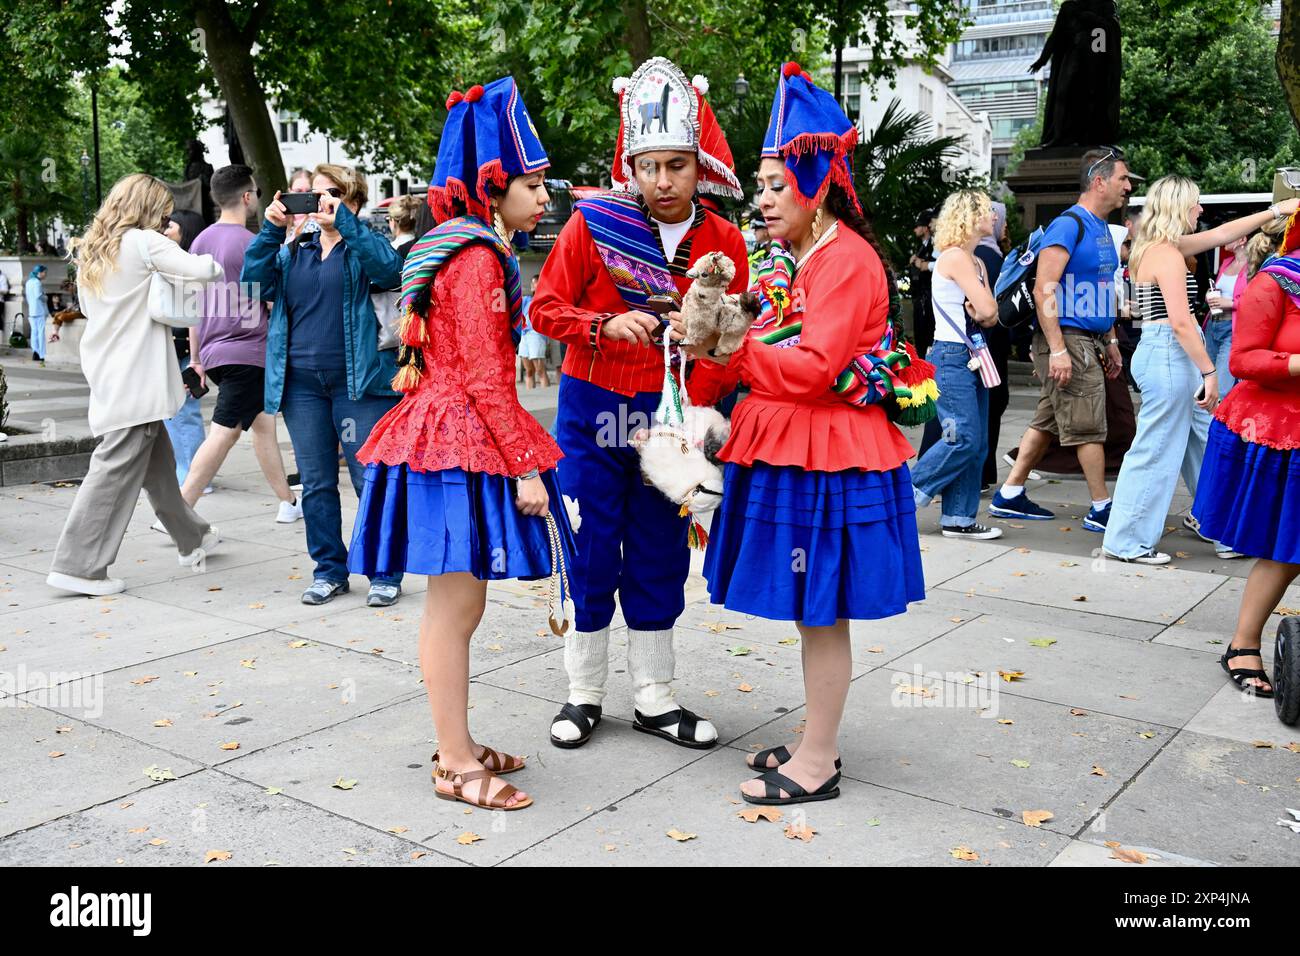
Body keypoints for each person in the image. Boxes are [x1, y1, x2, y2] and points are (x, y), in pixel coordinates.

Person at [682, 61, 924, 804]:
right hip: (799, 449)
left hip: (828, 457)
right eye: (758, 186)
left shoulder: (844, 260)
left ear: (815, 186)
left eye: (775, 185)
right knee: (810, 609)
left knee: (820, 611)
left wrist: (730, 346)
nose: (761, 200)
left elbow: (816, 367)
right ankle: (816, 740)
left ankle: (816, 762)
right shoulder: (799, 256)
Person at [349, 76, 574, 811]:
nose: (545, 200)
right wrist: (527, 469)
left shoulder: (459, 245)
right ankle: (453, 762)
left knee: (460, 605)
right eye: (534, 186)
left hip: (445, 436)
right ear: (492, 184)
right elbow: (485, 379)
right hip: (459, 442)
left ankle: (459, 742)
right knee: (454, 608)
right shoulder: (478, 256)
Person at [530, 56, 749, 750]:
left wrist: (704, 359)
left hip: (673, 420)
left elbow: (736, 341)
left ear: (698, 165)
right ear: (632, 165)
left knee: (658, 552)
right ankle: (583, 693)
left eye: (676, 166)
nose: (662, 181)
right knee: (592, 548)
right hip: (593, 411)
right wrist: (600, 325)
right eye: (649, 166)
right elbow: (543, 309)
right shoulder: (591, 225)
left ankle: (656, 698)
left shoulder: (724, 239)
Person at [1102, 178, 1297, 564]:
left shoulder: (1157, 248)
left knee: (1203, 445)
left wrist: (1276, 211)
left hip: (1167, 355)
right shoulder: (1167, 254)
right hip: (1170, 355)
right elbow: (1180, 322)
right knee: (1157, 450)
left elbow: (1224, 233)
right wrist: (1210, 372)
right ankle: (1127, 541)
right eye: (1196, 204)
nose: (1201, 211)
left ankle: (1222, 530)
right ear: (1179, 207)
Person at [47, 174, 223, 596]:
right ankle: (79, 565)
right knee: (112, 470)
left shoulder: (93, 248)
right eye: (162, 211)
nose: (165, 218)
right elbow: (207, 269)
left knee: (158, 470)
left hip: (109, 370)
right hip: (138, 377)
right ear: (147, 209)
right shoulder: (145, 242)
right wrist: (181, 247)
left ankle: (192, 537)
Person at [242, 163, 405, 608]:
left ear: (352, 199)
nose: (320, 202)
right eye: (313, 195)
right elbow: (252, 285)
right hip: (302, 385)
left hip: (359, 384)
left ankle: (384, 571)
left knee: (369, 479)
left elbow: (392, 272)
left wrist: (346, 225)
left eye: (331, 194)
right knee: (315, 483)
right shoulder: (294, 250)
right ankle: (329, 570)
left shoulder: (364, 246)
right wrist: (271, 231)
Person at [990, 148, 1134, 530]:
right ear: (1099, 181)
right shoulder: (1068, 225)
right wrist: (1057, 349)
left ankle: (1009, 494)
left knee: (1048, 420)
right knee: (1088, 423)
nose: (1129, 186)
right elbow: (1044, 290)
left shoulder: (1102, 228)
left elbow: (1101, 289)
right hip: (1067, 339)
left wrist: (1112, 341)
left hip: (1089, 338)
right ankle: (1102, 507)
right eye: (1123, 178)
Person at [1190, 211, 1300, 697]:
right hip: (1281, 433)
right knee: (1287, 549)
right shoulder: (1277, 281)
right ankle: (1243, 644)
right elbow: (1243, 359)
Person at [170, 165, 301, 522]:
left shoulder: (199, 242)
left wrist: (196, 358)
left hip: (214, 353)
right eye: (256, 193)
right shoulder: (251, 244)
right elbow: (271, 300)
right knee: (224, 433)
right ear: (246, 197)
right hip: (248, 351)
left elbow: (192, 304)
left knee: (262, 425)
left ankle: (288, 502)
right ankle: (180, 511)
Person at [910, 190, 1003, 539]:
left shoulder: (975, 260)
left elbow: (989, 314)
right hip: (951, 356)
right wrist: (982, 310)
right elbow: (989, 311)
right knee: (962, 434)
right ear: (969, 216)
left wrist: (982, 310)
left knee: (975, 441)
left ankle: (959, 519)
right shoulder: (956, 258)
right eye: (986, 211)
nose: (993, 216)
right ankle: (902, 496)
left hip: (972, 355)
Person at [161, 209, 211, 488]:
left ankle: (194, 475)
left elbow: (195, 315)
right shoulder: (177, 263)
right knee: (175, 412)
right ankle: (189, 471)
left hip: (183, 350)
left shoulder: (189, 265)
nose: (165, 231)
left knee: (183, 412)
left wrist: (195, 357)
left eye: (171, 227)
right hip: (175, 347)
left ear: (186, 230)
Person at [1204, 234, 1248, 393]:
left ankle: (1219, 416)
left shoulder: (1253, 267)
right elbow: (1221, 290)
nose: (1223, 239)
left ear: (1242, 240)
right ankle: (1206, 417)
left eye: (1230, 235)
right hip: (1213, 323)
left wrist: (1229, 303)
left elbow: (1256, 301)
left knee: (1222, 385)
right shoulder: (1226, 262)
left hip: (1233, 328)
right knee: (1206, 377)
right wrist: (1211, 294)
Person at [909, 209, 936, 360]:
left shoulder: (933, 247)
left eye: (918, 225)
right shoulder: (923, 247)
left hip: (928, 298)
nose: (915, 229)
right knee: (920, 335)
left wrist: (921, 263)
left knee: (926, 334)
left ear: (925, 228)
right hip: (921, 296)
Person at [518, 274, 551, 388]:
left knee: (540, 370)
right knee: (528, 371)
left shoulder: (545, 300)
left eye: (535, 282)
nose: (532, 284)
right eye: (532, 282)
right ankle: (530, 396)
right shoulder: (527, 299)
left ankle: (546, 398)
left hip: (536, 334)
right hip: (524, 334)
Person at [25, 265, 50, 364]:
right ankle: (42, 354)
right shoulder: (37, 283)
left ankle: (35, 351)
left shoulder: (29, 282)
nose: (45, 274)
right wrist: (46, 297)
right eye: (44, 272)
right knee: (41, 333)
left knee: (34, 332)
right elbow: (39, 295)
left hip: (32, 310)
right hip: (39, 310)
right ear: (39, 273)